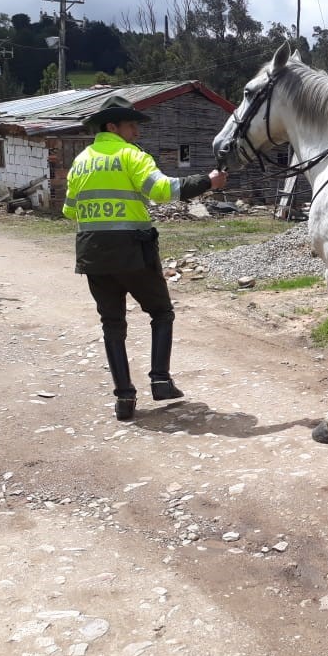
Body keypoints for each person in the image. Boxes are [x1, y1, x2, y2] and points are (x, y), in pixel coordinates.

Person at [62, 96, 228, 421]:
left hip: (92, 253)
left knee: (112, 324)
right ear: (113, 126)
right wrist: (207, 182)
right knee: (162, 312)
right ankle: (160, 381)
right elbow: (162, 190)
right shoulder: (131, 155)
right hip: (133, 251)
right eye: (132, 124)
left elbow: (69, 210)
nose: (137, 131)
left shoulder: (80, 161)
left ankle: (124, 399)